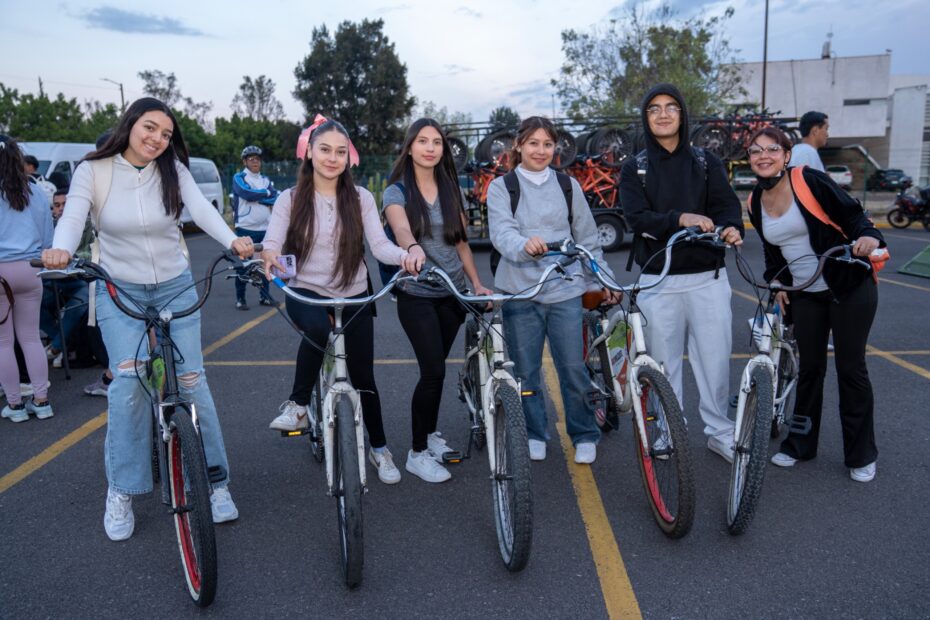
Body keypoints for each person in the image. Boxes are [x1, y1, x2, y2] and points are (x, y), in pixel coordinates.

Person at [42, 97, 255, 540]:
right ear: (131, 123)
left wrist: (233, 240)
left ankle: (215, 482)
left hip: (174, 283)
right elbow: (74, 217)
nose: (158, 139)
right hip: (119, 286)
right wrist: (61, 249)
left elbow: (202, 210)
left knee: (193, 380)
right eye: (150, 128)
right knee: (129, 382)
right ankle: (122, 489)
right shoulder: (93, 170)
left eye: (166, 134)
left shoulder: (172, 170)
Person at [261, 116, 421, 485]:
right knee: (317, 330)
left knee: (364, 376)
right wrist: (268, 254)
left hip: (355, 293)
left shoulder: (361, 197)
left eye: (340, 152)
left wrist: (406, 256)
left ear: (349, 157)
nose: (333, 158)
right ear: (309, 153)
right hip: (307, 291)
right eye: (325, 150)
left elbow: (379, 245)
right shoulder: (290, 198)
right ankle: (299, 405)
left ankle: (379, 448)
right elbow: (272, 241)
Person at [746, 126, 883, 482]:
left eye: (772, 149)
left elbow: (853, 216)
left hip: (847, 285)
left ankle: (861, 454)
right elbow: (772, 250)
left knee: (850, 369)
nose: (763, 156)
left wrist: (869, 236)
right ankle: (800, 445)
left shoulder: (807, 180)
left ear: (786, 155)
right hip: (805, 292)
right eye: (755, 151)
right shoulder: (754, 201)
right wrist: (778, 281)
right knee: (809, 369)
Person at [618, 83, 744, 463]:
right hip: (658, 281)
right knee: (662, 364)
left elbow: (727, 208)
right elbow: (636, 218)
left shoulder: (706, 162)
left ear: (682, 114)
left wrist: (730, 227)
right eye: (654, 108)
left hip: (708, 279)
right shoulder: (635, 168)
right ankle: (669, 430)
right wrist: (679, 219)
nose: (663, 114)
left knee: (714, 362)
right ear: (646, 117)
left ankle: (719, 431)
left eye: (671, 107)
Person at [488, 116, 619, 465]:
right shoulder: (503, 187)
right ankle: (535, 432)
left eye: (548, 144)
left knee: (573, 368)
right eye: (533, 143)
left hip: (565, 289)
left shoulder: (567, 185)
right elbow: (501, 232)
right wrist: (522, 244)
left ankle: (584, 433)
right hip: (520, 292)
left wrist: (604, 279)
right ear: (519, 145)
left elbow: (588, 239)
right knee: (526, 371)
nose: (541, 150)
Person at [382, 118, 493, 483]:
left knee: (437, 370)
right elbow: (400, 227)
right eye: (423, 141)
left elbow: (461, 243)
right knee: (433, 371)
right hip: (417, 293)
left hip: (453, 293)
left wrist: (476, 284)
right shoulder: (396, 191)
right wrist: (412, 247)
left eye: (437, 142)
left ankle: (429, 435)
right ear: (410, 146)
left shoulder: (450, 189)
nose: (430, 148)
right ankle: (416, 453)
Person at [0, 135, 55, 422]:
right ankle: (42, 401)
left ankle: (15, 405)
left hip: (1, 272)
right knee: (31, 338)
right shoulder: (35, 191)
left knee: (3, 342)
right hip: (31, 268)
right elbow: (48, 238)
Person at [40, 188, 93, 368]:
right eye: (57, 205)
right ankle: (65, 342)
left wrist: (72, 257)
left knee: (80, 301)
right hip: (52, 280)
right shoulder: (48, 227)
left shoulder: (87, 225)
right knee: (34, 305)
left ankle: (57, 346)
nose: (61, 208)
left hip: (78, 280)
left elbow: (91, 252)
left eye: (65, 204)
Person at [232, 145, 279, 310]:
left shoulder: (265, 180)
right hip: (245, 228)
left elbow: (275, 197)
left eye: (257, 159)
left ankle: (265, 297)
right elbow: (246, 193)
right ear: (244, 162)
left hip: (265, 228)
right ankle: (240, 298)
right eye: (251, 159)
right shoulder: (239, 177)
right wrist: (265, 193)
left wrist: (259, 195)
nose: (255, 162)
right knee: (243, 266)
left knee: (265, 264)